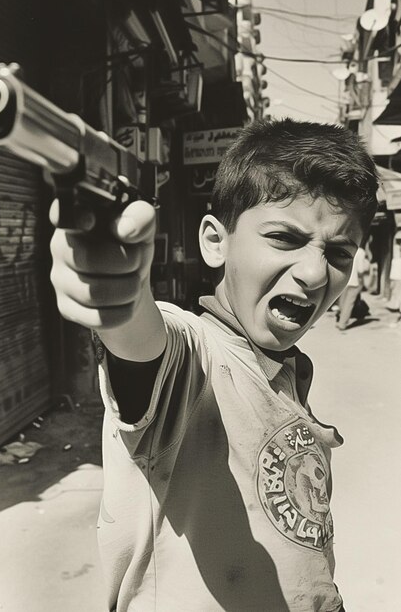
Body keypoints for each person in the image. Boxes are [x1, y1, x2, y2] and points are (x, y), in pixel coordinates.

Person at [49, 118, 378, 612]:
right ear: (214, 241)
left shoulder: (284, 369)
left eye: (337, 251)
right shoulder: (193, 357)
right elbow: (143, 340)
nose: (314, 273)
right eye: (285, 238)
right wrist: (117, 295)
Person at [335, 240, 370, 331]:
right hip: (355, 281)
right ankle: (342, 323)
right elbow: (361, 270)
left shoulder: (349, 249)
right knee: (349, 303)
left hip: (346, 280)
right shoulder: (361, 252)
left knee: (342, 301)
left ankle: (339, 318)